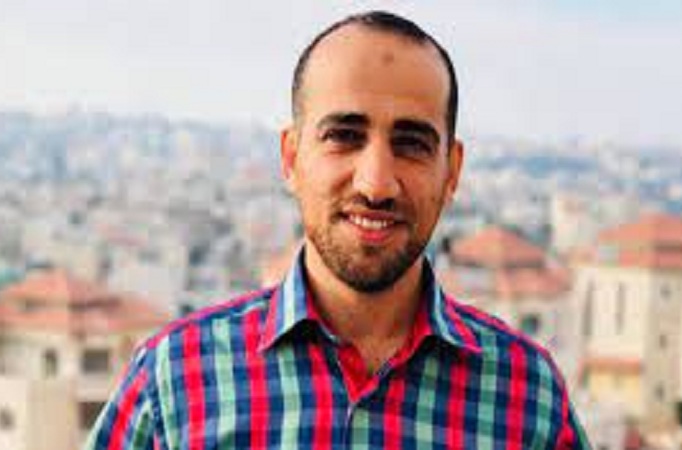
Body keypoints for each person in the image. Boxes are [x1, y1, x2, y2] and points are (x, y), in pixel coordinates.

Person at [85, 10, 591, 450]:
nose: (376, 184)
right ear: (291, 157)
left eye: (411, 144)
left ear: (452, 171)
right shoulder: (175, 382)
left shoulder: (527, 397)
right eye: (344, 136)